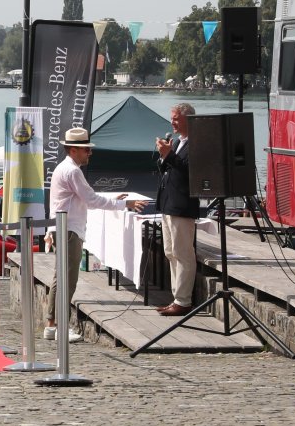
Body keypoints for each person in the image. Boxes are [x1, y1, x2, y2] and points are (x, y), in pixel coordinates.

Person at [46, 127, 148, 339]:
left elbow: (86, 198)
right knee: (67, 280)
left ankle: (52, 325)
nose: (90, 153)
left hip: (62, 228)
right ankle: (60, 328)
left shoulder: (63, 168)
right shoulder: (73, 171)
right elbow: (91, 200)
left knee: (60, 277)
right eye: (86, 149)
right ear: (73, 150)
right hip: (69, 230)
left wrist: (115, 201)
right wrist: (125, 204)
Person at [155, 102, 202, 316]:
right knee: (170, 252)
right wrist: (164, 155)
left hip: (182, 206)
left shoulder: (197, 142)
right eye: (172, 118)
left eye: (175, 118)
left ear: (187, 119)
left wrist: (170, 155)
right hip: (168, 204)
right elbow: (169, 170)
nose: (172, 122)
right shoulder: (177, 142)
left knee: (183, 253)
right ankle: (177, 298)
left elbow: (193, 171)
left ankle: (183, 301)